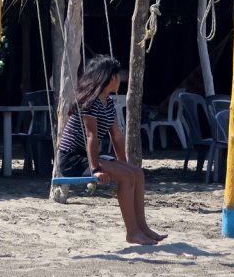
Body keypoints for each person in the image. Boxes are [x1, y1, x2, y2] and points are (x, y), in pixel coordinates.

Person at [57, 55, 166, 246]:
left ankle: (143, 228)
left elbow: (116, 136)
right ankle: (132, 233)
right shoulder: (90, 102)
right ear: (110, 77)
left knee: (137, 173)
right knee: (127, 177)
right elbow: (91, 136)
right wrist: (95, 170)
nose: (120, 79)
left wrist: (124, 165)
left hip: (88, 155)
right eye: (118, 75)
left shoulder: (107, 102)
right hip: (73, 159)